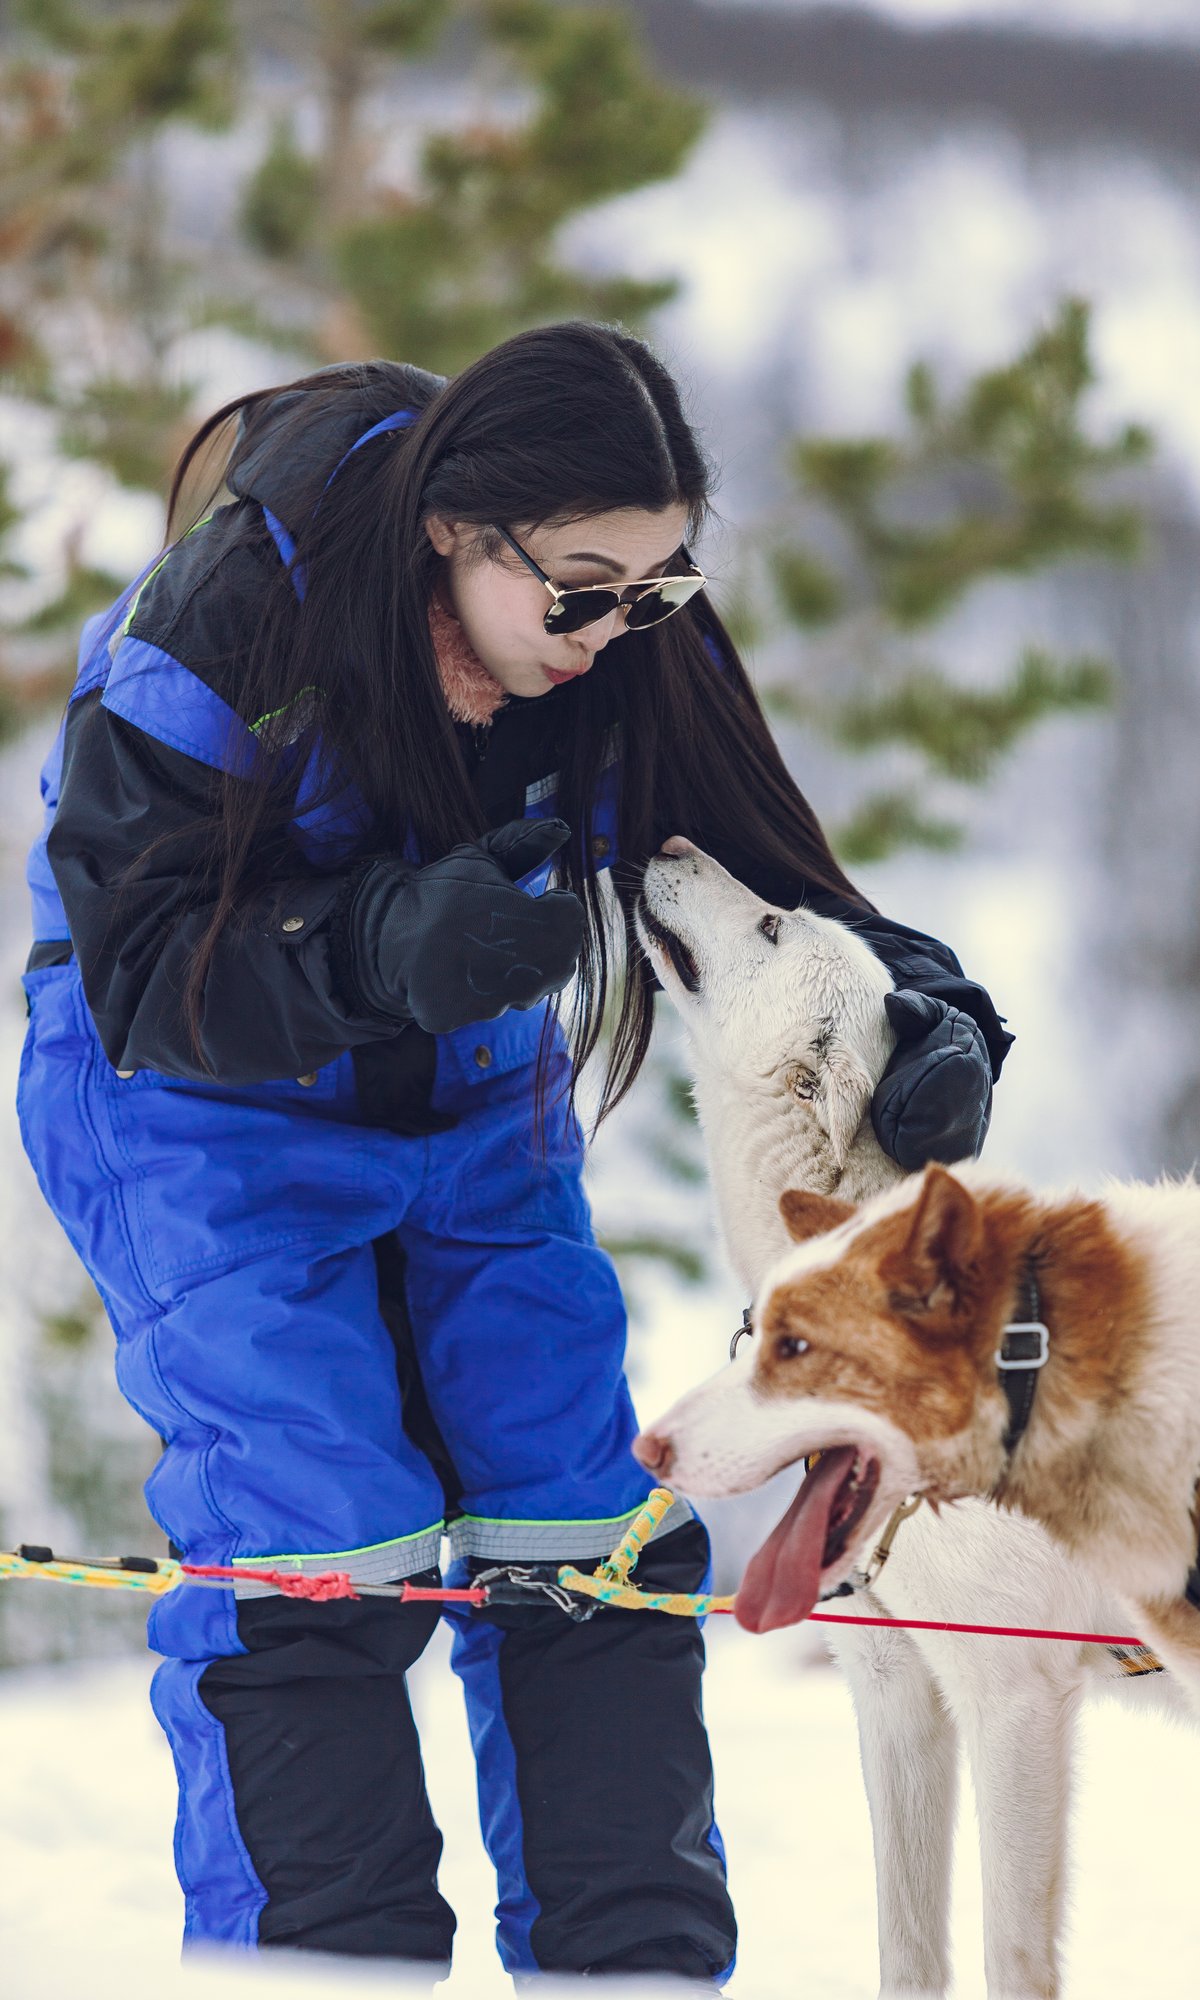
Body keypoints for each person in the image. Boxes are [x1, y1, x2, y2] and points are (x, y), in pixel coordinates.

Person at [16, 322, 1011, 1982]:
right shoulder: (229, 622)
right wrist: (376, 944)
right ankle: (321, 1970)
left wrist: (929, 1009)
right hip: (196, 1099)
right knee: (319, 1530)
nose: (613, 631)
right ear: (449, 535)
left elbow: (775, 876)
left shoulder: (613, 630)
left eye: (656, 587)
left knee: (586, 1516)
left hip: (471, 1092)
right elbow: (138, 970)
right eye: (579, 592)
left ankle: (630, 1970)